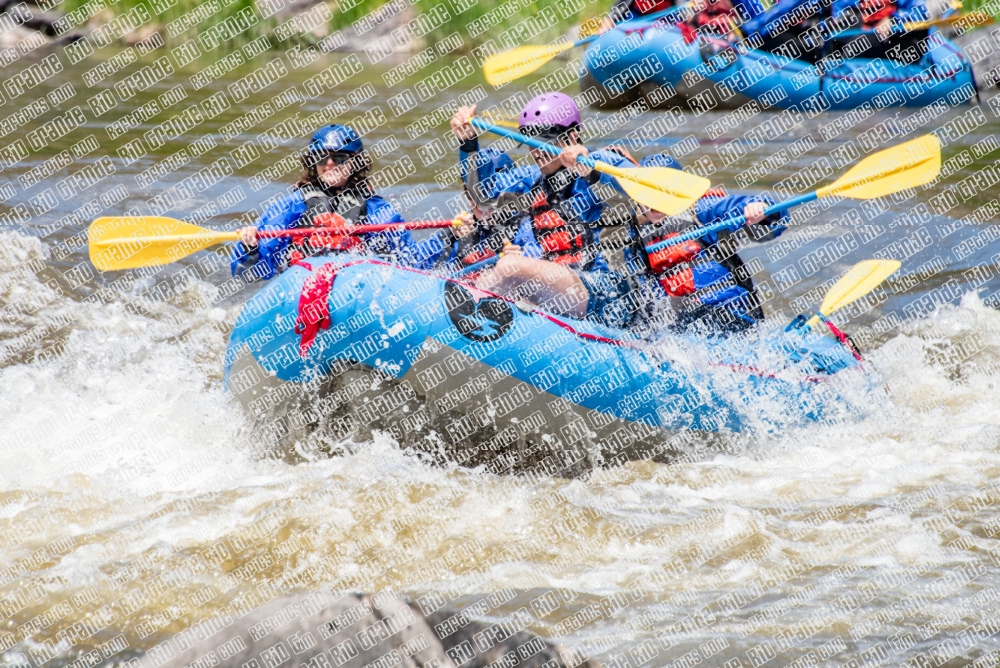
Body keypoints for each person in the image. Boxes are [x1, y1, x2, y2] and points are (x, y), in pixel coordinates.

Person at [449, 93, 641, 329]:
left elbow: (634, 194)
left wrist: (590, 168)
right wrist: (468, 143)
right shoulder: (531, 180)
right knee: (500, 267)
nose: (536, 150)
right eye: (530, 141)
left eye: (544, 140)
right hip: (560, 287)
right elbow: (482, 198)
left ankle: (464, 319)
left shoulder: (598, 164)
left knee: (511, 267)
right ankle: (468, 310)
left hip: (605, 292)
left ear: (571, 136)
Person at [232, 124, 448, 280]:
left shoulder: (375, 209)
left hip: (356, 286)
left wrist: (450, 235)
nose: (329, 165)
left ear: (355, 163)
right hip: (299, 284)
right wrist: (249, 248)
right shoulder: (291, 206)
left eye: (339, 158)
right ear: (312, 163)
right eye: (321, 158)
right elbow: (250, 273)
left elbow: (411, 261)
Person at [627, 153, 787, 333]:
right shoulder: (634, 232)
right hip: (677, 320)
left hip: (727, 313)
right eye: (648, 192)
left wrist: (761, 209)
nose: (655, 201)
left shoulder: (702, 210)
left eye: (665, 191)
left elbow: (767, 217)